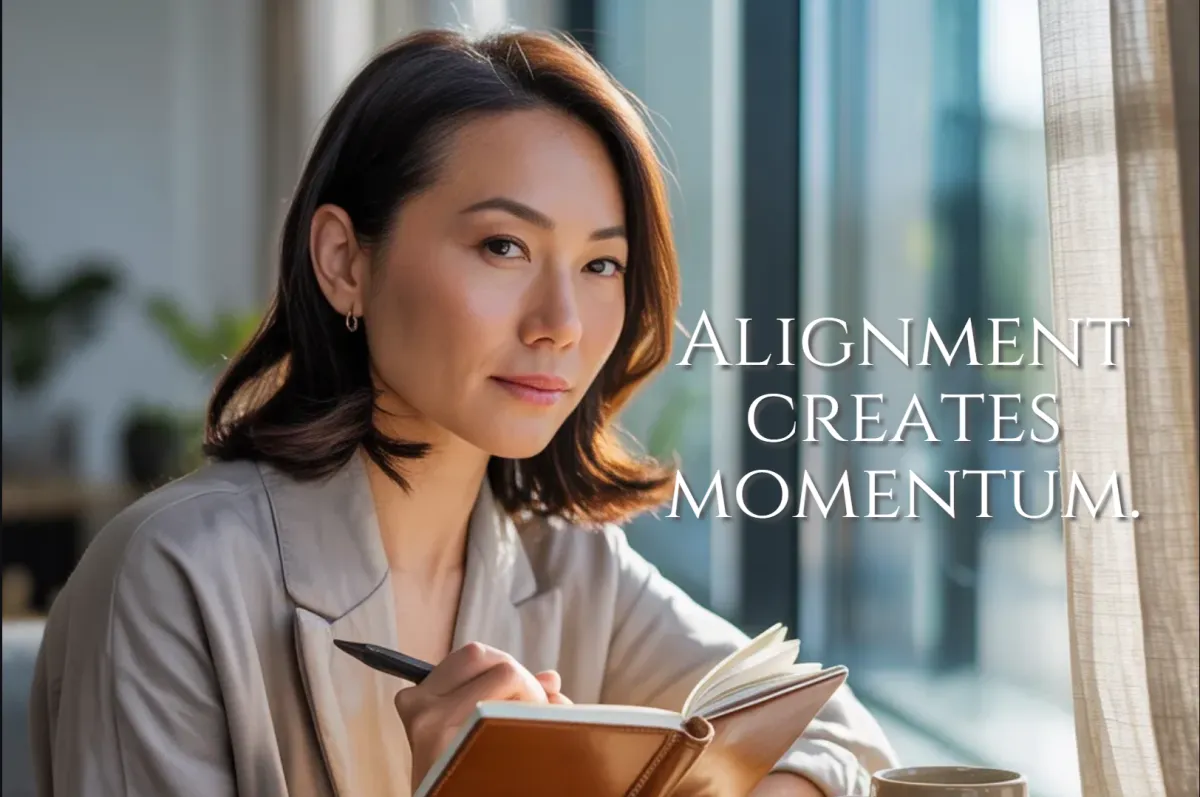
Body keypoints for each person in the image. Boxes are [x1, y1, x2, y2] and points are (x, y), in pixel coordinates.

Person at [29, 28, 896, 797]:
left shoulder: (572, 565)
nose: (560, 324)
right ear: (344, 262)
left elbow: (839, 734)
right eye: (503, 246)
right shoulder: (172, 576)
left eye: (602, 264)